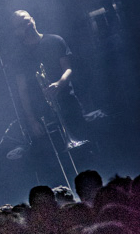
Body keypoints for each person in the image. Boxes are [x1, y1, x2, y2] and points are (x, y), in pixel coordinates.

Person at [11, 10, 87, 145]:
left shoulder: (55, 40)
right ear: (16, 31)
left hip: (67, 101)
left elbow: (68, 68)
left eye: (26, 20)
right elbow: (22, 90)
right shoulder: (18, 56)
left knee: (84, 140)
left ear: (33, 20)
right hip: (43, 111)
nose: (26, 25)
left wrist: (59, 83)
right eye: (20, 25)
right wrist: (32, 120)